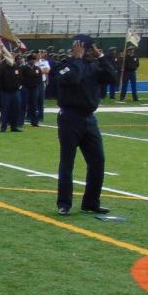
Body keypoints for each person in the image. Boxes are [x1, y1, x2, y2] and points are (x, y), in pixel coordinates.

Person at [52, 34, 118, 217]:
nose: (89, 52)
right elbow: (73, 78)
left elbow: (112, 78)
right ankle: (64, 203)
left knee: (98, 161)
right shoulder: (64, 66)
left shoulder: (95, 66)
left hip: (89, 118)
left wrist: (101, 57)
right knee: (67, 162)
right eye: (85, 48)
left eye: (90, 49)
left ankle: (91, 202)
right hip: (69, 117)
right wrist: (77, 59)